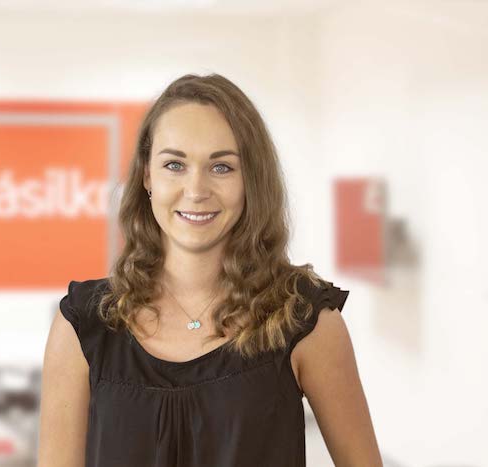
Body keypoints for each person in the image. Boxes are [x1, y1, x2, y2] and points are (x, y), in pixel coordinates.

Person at [37, 73, 382, 467]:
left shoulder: (305, 320)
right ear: (147, 175)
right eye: (174, 164)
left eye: (221, 167)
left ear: (250, 179)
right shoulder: (84, 326)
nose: (196, 190)